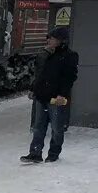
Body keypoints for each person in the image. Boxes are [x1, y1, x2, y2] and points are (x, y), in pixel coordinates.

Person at [21, 27, 79, 164]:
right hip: (42, 95)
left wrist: (62, 94)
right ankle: (35, 152)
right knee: (38, 126)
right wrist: (33, 89)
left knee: (57, 128)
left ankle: (53, 153)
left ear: (60, 41)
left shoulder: (70, 56)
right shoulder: (46, 54)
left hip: (56, 98)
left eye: (51, 38)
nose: (48, 40)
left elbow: (69, 77)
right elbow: (40, 74)